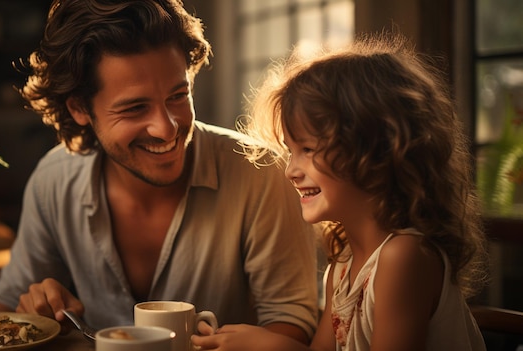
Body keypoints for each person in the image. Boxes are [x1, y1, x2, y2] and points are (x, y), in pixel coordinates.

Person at [0, 0, 320, 344]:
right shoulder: (54, 180)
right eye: (135, 107)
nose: (167, 128)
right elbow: (4, 305)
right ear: (80, 108)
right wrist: (34, 311)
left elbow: (291, 322)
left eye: (177, 95)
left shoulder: (259, 172)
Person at [191, 32, 489, 350]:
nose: (291, 171)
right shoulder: (342, 268)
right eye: (291, 151)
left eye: (308, 149)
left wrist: (273, 347)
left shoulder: (404, 257)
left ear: (378, 150)